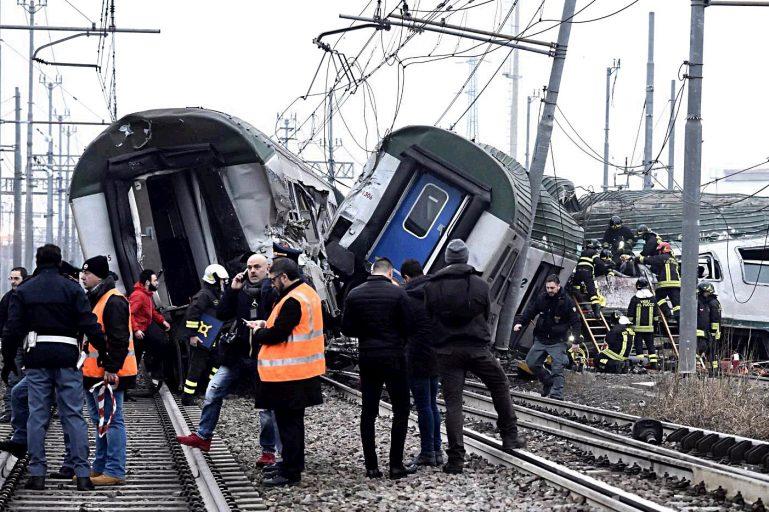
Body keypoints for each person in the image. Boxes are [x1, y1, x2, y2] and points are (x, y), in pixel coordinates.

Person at [1, 244, 98, 491]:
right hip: (67, 357)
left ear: (37, 260)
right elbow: (89, 323)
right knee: (73, 415)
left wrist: (8, 360)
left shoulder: (24, 290)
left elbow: (12, 329)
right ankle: (82, 475)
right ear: (58, 261)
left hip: (37, 358)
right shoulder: (72, 288)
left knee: (37, 414)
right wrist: (106, 352)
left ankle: (37, 474)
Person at [426, 239, 524, 475]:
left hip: (447, 351)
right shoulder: (480, 285)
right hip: (477, 349)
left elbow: (429, 318)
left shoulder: (432, 286)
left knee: (453, 404)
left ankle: (456, 460)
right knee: (500, 385)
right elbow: (487, 314)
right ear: (465, 258)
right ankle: (510, 437)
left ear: (448, 260)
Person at [177, 254, 282, 464]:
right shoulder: (240, 291)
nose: (252, 271)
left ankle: (269, 451)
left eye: (257, 267)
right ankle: (203, 435)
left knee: (266, 407)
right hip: (237, 354)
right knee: (213, 390)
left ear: (267, 269)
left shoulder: (274, 292)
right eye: (250, 267)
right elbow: (223, 313)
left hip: (263, 355)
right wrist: (232, 291)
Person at [250, 257, 325, 487]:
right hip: (300, 371)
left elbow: (279, 334)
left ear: (284, 277)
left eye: (274, 279)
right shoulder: (308, 293)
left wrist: (258, 333)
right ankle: (291, 464)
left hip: (289, 374)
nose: (272, 284)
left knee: (288, 425)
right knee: (293, 424)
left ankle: (291, 472)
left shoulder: (292, 300)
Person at [342, 257, 415, 479]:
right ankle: (395, 465)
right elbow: (409, 326)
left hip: (368, 357)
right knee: (401, 410)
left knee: (369, 411)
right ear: (390, 274)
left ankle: (371, 466)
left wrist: (366, 334)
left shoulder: (355, 294)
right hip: (394, 357)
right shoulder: (399, 294)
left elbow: (347, 328)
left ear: (372, 271)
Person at [81, 255, 137, 486]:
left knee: (112, 420)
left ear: (100, 276)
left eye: (88, 273)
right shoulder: (98, 298)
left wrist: (111, 368)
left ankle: (114, 470)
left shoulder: (113, 300)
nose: (83, 277)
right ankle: (100, 467)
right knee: (100, 420)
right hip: (94, 372)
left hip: (109, 373)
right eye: (82, 273)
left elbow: (119, 338)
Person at [400, 259, 442, 467]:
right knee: (432, 404)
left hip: (416, 355)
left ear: (406, 277)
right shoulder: (436, 291)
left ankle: (427, 451)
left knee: (423, 405)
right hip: (436, 353)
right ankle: (437, 450)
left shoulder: (408, 297)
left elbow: (403, 329)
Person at [515, 274, 581, 400]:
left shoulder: (566, 301)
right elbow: (531, 311)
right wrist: (521, 323)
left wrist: (576, 341)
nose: (549, 290)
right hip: (541, 338)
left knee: (558, 367)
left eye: (552, 288)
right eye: (548, 288)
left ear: (558, 286)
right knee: (531, 363)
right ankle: (547, 380)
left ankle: (556, 395)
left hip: (558, 340)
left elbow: (576, 322)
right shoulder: (542, 298)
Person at [180, 264, 229, 406]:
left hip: (211, 338)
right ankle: (187, 398)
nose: (224, 282)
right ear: (213, 278)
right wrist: (193, 335)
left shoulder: (214, 294)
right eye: (221, 279)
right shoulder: (204, 295)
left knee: (216, 364)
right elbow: (192, 314)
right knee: (196, 367)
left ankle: (209, 392)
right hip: (202, 338)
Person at [128, 269, 171, 391]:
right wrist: (136, 330)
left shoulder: (146, 295)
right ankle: (126, 388)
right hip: (139, 332)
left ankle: (152, 372)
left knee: (161, 343)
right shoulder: (138, 296)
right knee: (133, 359)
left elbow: (151, 311)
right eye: (155, 280)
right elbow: (129, 313)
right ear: (147, 282)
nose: (157, 283)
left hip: (144, 329)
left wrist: (162, 321)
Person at [0, 267, 28, 422]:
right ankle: (10, 411)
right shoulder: (7, 298)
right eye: (11, 278)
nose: (13, 282)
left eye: (16, 278)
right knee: (13, 377)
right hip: (13, 345)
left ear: (24, 279)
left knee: (33, 378)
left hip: (30, 344)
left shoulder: (31, 296)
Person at [638, 242, 681, 321]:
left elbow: (650, 260)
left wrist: (639, 258)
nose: (659, 252)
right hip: (676, 285)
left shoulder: (663, 257)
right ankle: (678, 319)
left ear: (663, 249)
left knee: (658, 298)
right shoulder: (673, 259)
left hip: (665, 284)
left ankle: (668, 314)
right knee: (677, 304)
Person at [627, 278, 658, 367]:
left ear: (638, 286)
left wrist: (629, 325)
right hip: (650, 329)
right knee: (651, 346)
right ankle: (654, 364)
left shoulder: (635, 299)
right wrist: (655, 327)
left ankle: (640, 364)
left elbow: (630, 315)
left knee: (638, 346)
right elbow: (656, 316)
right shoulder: (653, 299)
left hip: (637, 329)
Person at [697, 282, 722, 375]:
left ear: (708, 292)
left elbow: (715, 319)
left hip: (713, 332)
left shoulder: (712, 303)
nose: (701, 295)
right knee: (711, 352)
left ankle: (714, 371)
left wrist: (712, 332)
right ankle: (714, 370)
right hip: (713, 332)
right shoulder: (713, 302)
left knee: (711, 351)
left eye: (703, 293)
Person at [573, 239, 602, 317]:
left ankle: (579, 299)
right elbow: (599, 263)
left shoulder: (581, 253)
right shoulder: (594, 253)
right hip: (587, 273)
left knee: (575, 287)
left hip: (578, 272)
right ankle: (596, 309)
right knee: (592, 290)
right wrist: (605, 269)